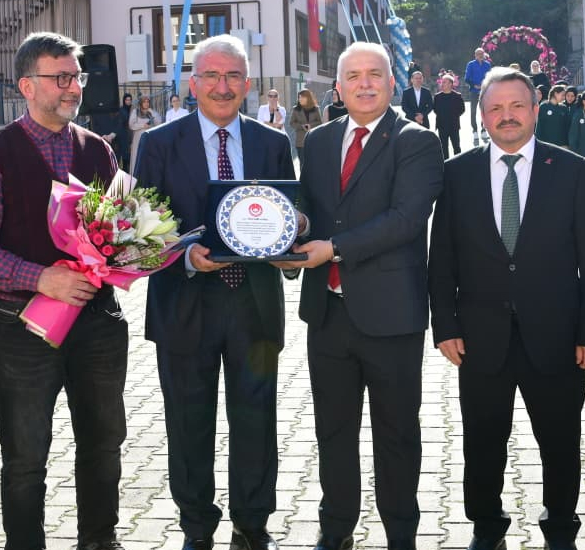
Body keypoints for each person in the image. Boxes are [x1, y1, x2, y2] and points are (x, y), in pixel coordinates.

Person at [0, 32, 129, 550]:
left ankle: (100, 540)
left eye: (77, 76)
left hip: (97, 323)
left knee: (104, 444)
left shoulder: (99, 150)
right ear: (27, 85)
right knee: (26, 454)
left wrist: (129, 254)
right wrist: (41, 277)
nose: (73, 87)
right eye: (61, 77)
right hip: (24, 327)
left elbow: (117, 230)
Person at [429, 67, 585, 550]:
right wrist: (444, 325)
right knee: (483, 442)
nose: (505, 116)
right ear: (481, 114)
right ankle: (487, 527)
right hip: (479, 336)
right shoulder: (457, 172)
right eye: (495, 108)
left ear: (535, 110)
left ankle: (560, 528)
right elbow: (441, 256)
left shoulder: (570, 170)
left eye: (516, 106)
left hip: (557, 336)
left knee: (560, 440)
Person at [274, 41, 442, 550]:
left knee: (396, 434)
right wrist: (295, 226)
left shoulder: (416, 141)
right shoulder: (321, 140)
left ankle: (400, 534)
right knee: (333, 431)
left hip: (391, 315)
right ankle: (337, 528)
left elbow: (406, 220)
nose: (364, 84)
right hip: (328, 315)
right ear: (338, 87)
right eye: (353, 76)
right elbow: (312, 203)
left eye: (375, 75)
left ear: (392, 83)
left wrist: (334, 249)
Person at [135, 34, 295, 550]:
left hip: (254, 305)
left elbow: (290, 218)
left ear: (247, 84)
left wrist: (287, 242)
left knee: (256, 420)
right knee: (188, 422)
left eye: (232, 77)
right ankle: (196, 527)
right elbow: (142, 231)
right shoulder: (157, 144)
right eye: (211, 76)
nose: (222, 87)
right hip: (184, 304)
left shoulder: (273, 144)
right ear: (193, 82)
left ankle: (253, 524)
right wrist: (183, 256)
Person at [433, 73, 466, 158]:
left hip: (454, 125)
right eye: (442, 82)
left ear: (450, 84)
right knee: (443, 148)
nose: (442, 84)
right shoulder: (437, 97)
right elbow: (435, 109)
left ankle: (458, 164)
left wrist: (453, 115)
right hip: (442, 125)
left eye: (444, 82)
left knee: (456, 147)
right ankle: (446, 165)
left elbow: (462, 109)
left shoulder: (457, 96)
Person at [465, 48, 492, 144]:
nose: (480, 55)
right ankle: (475, 130)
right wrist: (474, 85)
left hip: (485, 91)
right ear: (475, 55)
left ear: (484, 54)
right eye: (478, 54)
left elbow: (490, 77)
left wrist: (485, 85)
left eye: (482, 53)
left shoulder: (487, 65)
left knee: (485, 111)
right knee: (473, 111)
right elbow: (467, 78)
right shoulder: (471, 64)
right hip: (474, 91)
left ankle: (483, 129)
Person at [290, 88, 325, 163]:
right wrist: (302, 126)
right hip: (300, 142)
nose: (300, 99)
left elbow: (320, 122)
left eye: (302, 97)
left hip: (313, 141)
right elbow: (292, 123)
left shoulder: (316, 109)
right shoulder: (295, 109)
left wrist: (310, 125)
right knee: (302, 164)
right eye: (299, 97)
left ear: (308, 97)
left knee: (313, 163)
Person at [129, 95, 161, 171]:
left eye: (148, 102)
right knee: (137, 157)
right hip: (138, 139)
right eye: (144, 102)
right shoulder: (136, 112)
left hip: (149, 140)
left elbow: (159, 122)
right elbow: (131, 125)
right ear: (141, 103)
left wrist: (152, 112)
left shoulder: (151, 112)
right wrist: (143, 125)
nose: (146, 103)